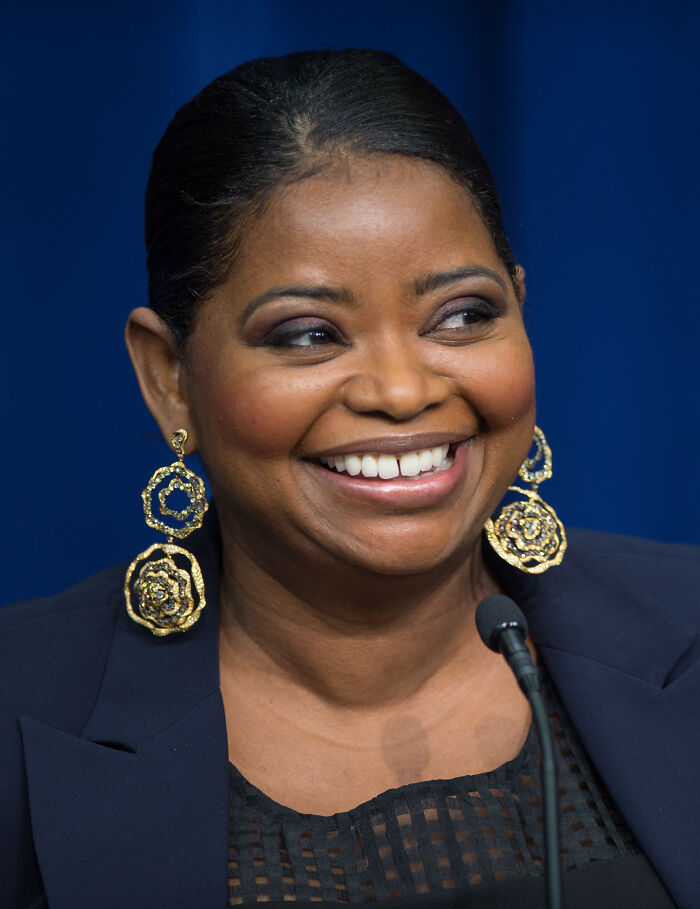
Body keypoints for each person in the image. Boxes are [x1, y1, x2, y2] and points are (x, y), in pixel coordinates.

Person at [1, 49, 696, 909]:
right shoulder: (20, 704)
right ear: (169, 375)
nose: (403, 391)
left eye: (463, 316)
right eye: (308, 334)